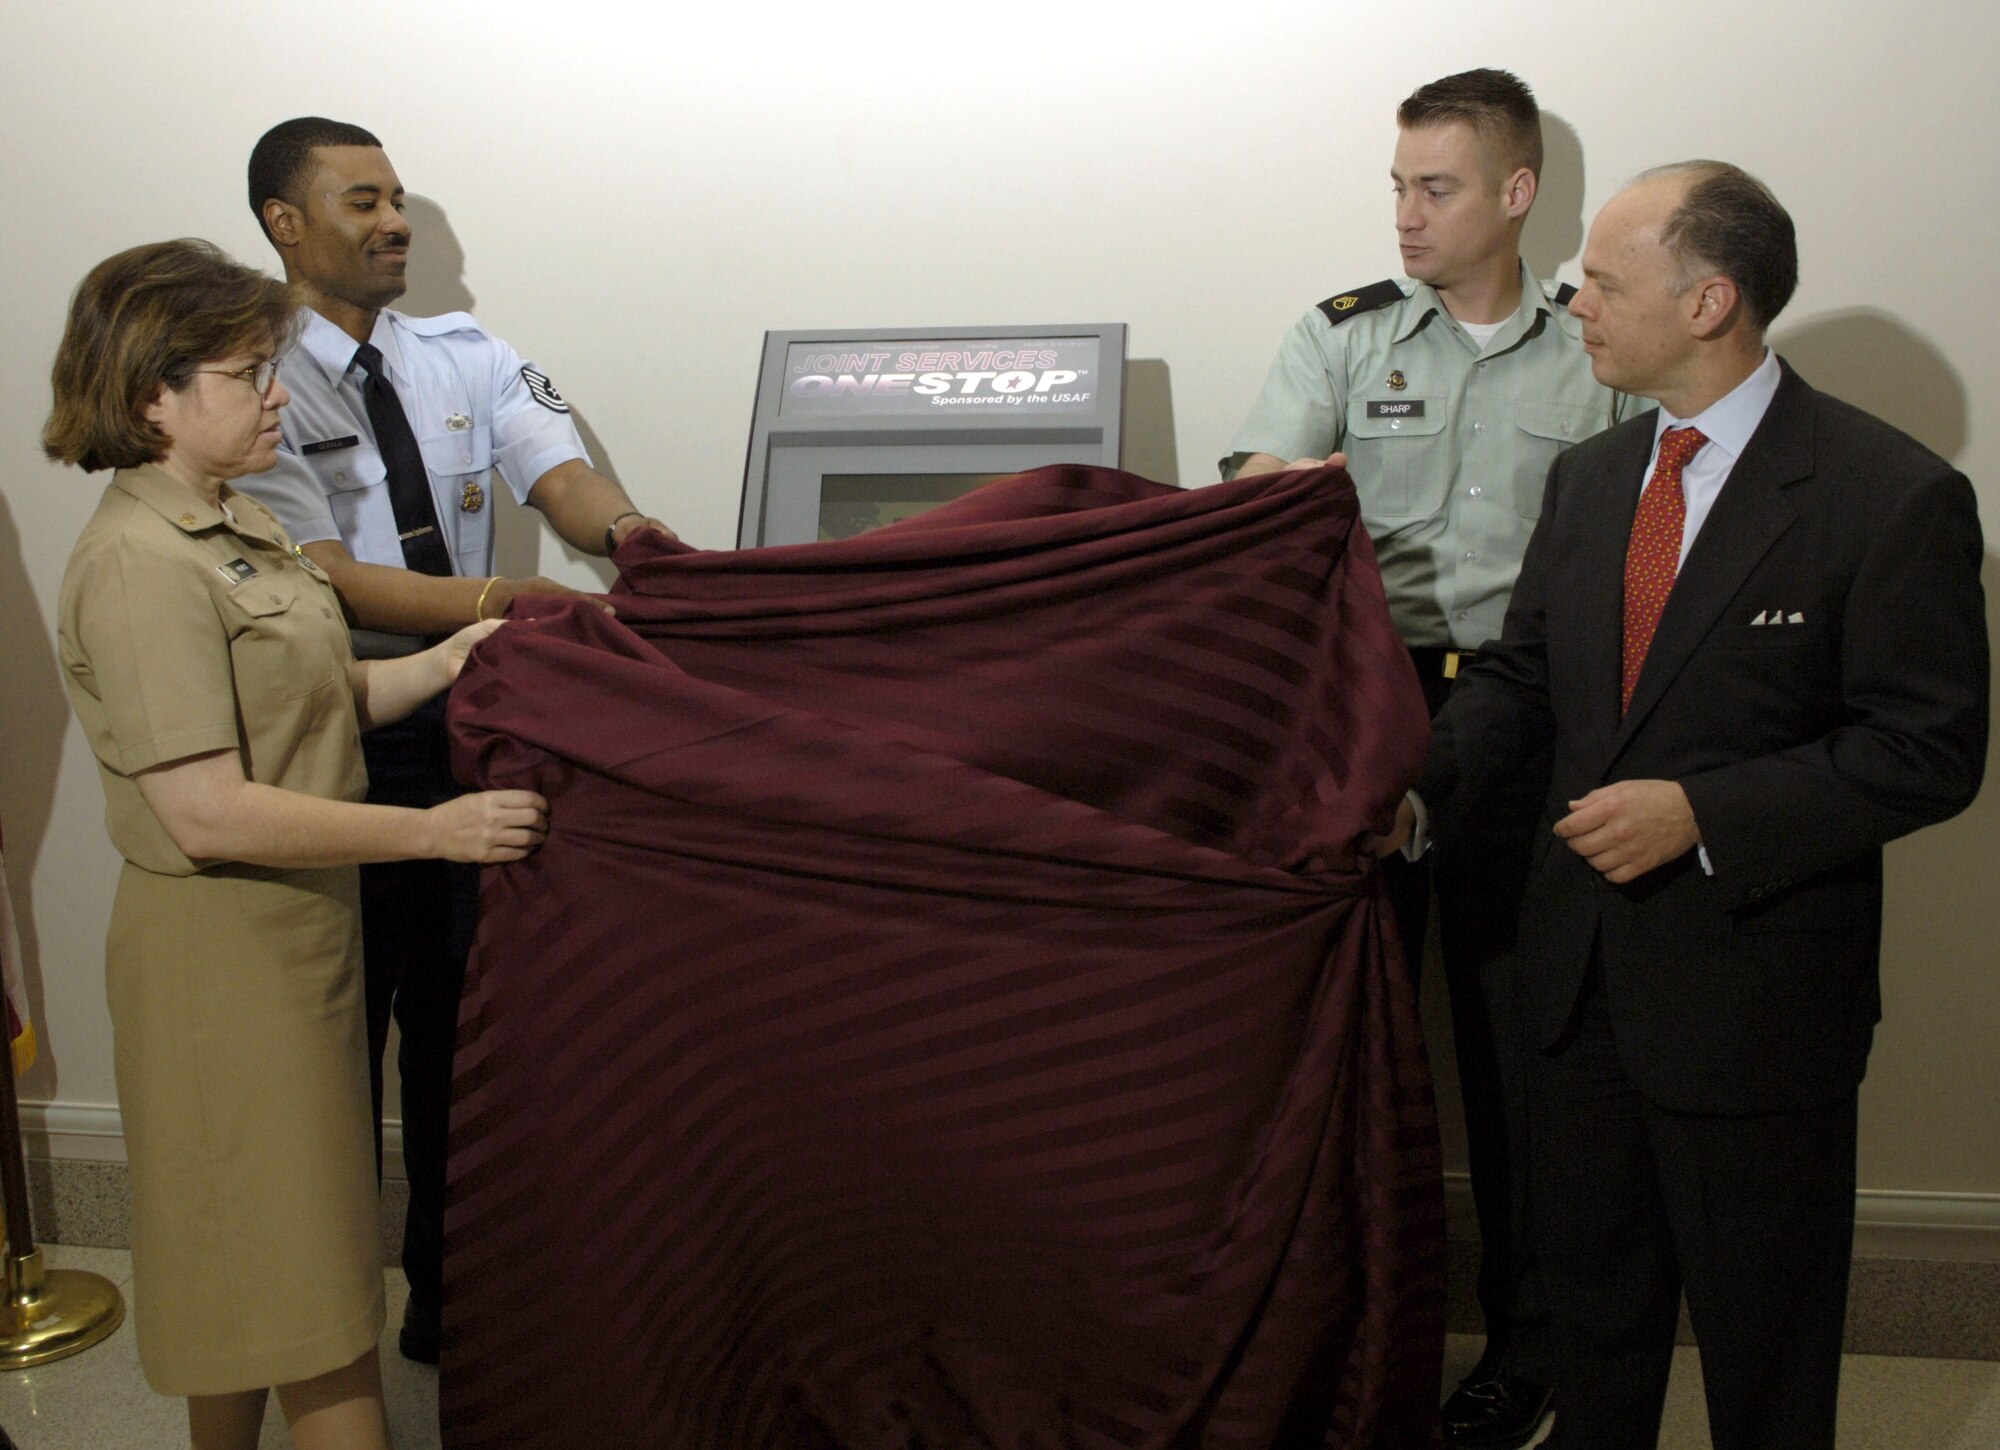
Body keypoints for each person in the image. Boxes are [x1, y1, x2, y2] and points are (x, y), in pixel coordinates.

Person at [1391, 163, 1987, 1448]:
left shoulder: (1887, 497)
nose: (1575, 302)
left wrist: (1703, 813)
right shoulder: (1597, 478)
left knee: (1763, 1350)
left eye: (1602, 281)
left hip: (1753, 1003)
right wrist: (1403, 783)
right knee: (1595, 1327)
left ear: (1709, 299)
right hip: (1572, 984)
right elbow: (1519, 682)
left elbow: (1926, 750)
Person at [46, 238, 549, 1449]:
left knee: (248, 1282)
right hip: (223, 963)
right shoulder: (137, 564)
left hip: (294, 939)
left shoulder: (232, 526)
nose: (279, 393)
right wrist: (434, 831)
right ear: (149, 394)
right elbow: (205, 808)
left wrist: (448, 659)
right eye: (246, 373)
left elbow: (319, 703)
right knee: (314, 1307)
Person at [233, 116, 672, 1364]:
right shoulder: (248, 379)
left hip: (473, 732)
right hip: (334, 741)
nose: (394, 223)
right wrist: (529, 605)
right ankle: (316, 1324)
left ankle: (446, 1302)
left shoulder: (464, 354)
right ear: (285, 223)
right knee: (331, 1046)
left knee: (461, 1038)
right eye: (361, 202)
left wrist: (637, 543)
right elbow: (336, 585)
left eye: (398, 199)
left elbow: (559, 471)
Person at [1224, 67, 1619, 1446]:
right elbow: (1256, 512)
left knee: (1522, 1053)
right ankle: (1347, 1336)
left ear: (1516, 195)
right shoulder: (1340, 339)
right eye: (1397, 185)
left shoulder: (1597, 352)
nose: (1405, 214)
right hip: (1369, 713)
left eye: (1435, 187)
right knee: (1343, 1039)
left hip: (1536, 724)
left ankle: (1532, 1345)